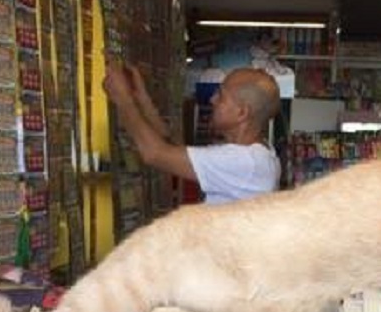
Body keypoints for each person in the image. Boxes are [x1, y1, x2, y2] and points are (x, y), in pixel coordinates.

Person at [103, 60, 282, 204]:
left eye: (221, 96)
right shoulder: (259, 155)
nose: (212, 100)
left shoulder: (245, 162)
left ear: (241, 113)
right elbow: (173, 147)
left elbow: (154, 153)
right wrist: (141, 99)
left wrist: (123, 99)